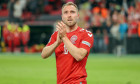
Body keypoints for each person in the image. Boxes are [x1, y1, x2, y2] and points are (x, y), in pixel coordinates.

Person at [41, 2, 94, 84]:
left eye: (72, 12)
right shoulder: (56, 35)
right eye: (66, 12)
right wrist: (57, 43)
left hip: (77, 81)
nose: (69, 15)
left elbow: (79, 56)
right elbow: (43, 54)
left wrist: (64, 37)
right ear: (62, 17)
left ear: (77, 15)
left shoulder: (86, 34)